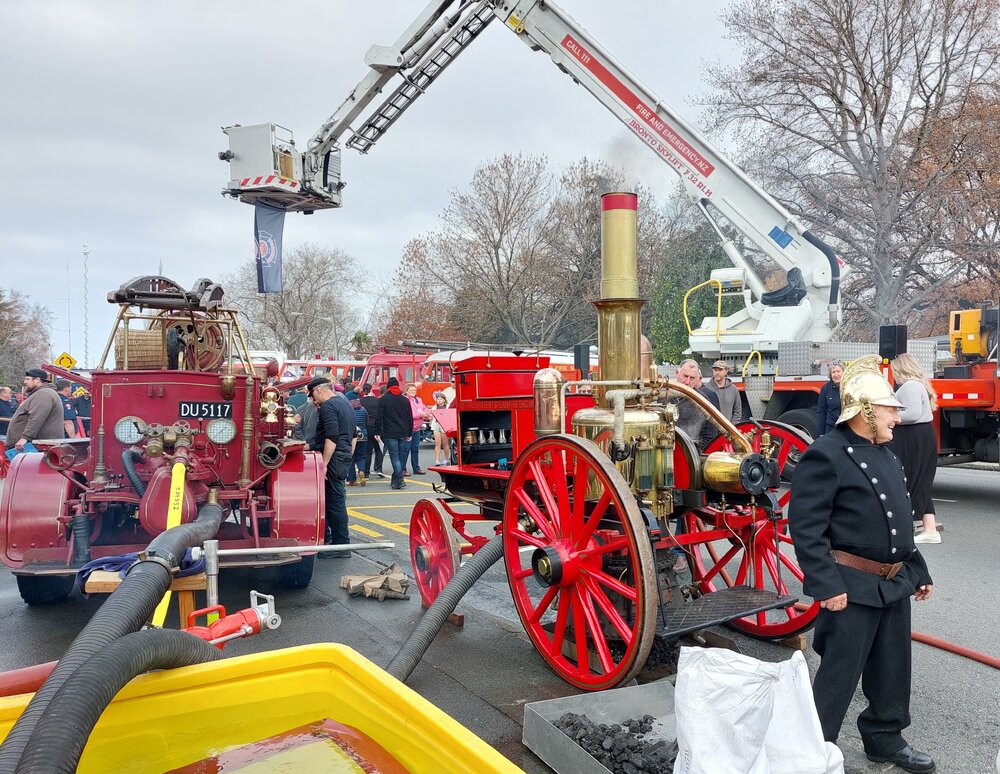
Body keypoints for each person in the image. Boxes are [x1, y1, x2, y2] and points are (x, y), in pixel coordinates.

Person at [788, 355, 935, 773]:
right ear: (865, 410)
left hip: (892, 583)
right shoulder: (826, 454)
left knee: (893, 668)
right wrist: (825, 585)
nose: (898, 415)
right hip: (849, 584)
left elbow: (896, 524)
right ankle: (813, 749)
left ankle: (885, 739)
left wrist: (918, 571)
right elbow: (806, 528)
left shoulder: (886, 453)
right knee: (839, 674)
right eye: (891, 408)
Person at [889, 353, 940, 545]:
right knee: (921, 482)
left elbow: (912, 414)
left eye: (894, 370)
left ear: (901, 369)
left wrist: (892, 416)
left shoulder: (910, 385)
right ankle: (930, 529)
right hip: (921, 435)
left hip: (913, 437)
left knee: (908, 480)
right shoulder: (918, 384)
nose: (893, 374)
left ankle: (907, 528)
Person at [308, 378, 356, 556]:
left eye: (312, 394)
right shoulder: (345, 404)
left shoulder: (328, 407)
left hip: (334, 457)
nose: (313, 399)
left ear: (318, 390)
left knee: (334, 502)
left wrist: (325, 464)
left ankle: (341, 545)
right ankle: (338, 543)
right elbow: (354, 435)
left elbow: (332, 436)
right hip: (342, 456)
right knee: (336, 499)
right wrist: (347, 454)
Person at [5, 370, 64, 452]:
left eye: (27, 379)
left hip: (34, 447)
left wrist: (25, 438)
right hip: (32, 446)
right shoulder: (41, 393)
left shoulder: (44, 394)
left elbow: (37, 417)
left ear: (37, 380)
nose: (24, 382)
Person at [374, 376, 413, 490]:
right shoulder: (405, 400)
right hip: (403, 431)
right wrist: (409, 432)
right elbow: (410, 417)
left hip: (390, 432)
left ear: (388, 387)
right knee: (400, 456)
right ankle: (397, 479)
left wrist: (377, 431)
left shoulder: (384, 399)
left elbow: (379, 417)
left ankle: (399, 479)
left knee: (394, 457)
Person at [344, 382, 368, 487]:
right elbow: (367, 421)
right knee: (361, 457)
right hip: (363, 435)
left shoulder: (347, 410)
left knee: (351, 457)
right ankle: (362, 471)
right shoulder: (363, 409)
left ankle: (352, 479)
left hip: (351, 435)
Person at [404, 382, 430, 475]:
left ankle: (416, 468)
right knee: (406, 449)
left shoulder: (419, 399)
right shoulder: (405, 400)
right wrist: (421, 414)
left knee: (415, 449)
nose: (413, 392)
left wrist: (424, 414)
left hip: (417, 429)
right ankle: (403, 469)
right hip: (408, 429)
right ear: (406, 391)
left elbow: (426, 410)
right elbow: (410, 414)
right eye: (411, 390)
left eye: (414, 390)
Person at [359, 383, 385, 478]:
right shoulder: (377, 400)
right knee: (379, 448)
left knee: (367, 450)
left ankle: (366, 472)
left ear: (363, 390)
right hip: (377, 426)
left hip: (366, 426)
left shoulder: (360, 401)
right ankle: (379, 468)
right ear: (371, 390)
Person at [815, 360, 844, 436]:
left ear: (843, 372)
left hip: (847, 429)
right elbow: (821, 411)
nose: (836, 374)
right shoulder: (826, 388)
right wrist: (821, 433)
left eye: (838, 371)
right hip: (831, 429)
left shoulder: (850, 387)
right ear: (830, 375)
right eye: (833, 372)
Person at [430, 391, 450, 465]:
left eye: (441, 399)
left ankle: (446, 459)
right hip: (436, 425)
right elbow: (431, 416)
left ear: (444, 400)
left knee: (445, 443)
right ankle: (437, 460)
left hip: (444, 425)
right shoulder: (434, 407)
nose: (439, 401)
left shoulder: (447, 406)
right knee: (437, 443)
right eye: (438, 399)